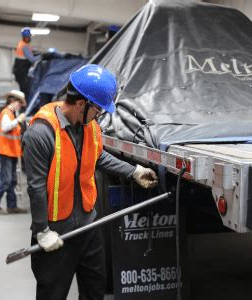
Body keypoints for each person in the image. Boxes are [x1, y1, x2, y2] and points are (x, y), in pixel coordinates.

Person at [22, 64, 158, 300]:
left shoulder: (89, 126)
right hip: (55, 233)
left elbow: (98, 156)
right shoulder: (41, 133)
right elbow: (36, 188)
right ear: (82, 103)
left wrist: (134, 171)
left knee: (95, 290)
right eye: (99, 109)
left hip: (88, 226)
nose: (101, 115)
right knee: (52, 294)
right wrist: (43, 231)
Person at [0, 90, 28, 214]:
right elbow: (5, 128)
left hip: (11, 151)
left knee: (12, 181)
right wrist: (18, 121)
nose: (20, 105)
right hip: (6, 152)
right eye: (19, 103)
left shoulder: (12, 114)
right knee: (6, 181)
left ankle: (12, 206)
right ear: (12, 101)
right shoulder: (6, 113)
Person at [12, 27, 41, 104]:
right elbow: (32, 59)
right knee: (26, 90)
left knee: (25, 89)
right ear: (26, 37)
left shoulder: (24, 44)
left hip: (20, 71)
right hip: (21, 72)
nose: (29, 38)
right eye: (29, 36)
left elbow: (29, 55)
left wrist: (36, 54)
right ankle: (26, 106)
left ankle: (26, 105)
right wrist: (42, 56)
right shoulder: (24, 46)